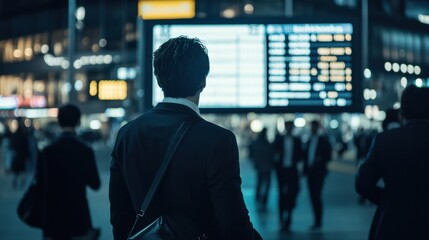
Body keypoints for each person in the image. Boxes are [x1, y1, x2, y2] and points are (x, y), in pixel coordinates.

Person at [109, 36, 262, 240]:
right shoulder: (218, 140)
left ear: (158, 78)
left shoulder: (127, 133)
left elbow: (120, 217)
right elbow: (233, 223)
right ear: (203, 81)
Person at [355, 85, 429, 240]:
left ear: (401, 113)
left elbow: (363, 184)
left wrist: (388, 199)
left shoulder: (385, 141)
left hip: (394, 225)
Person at [37, 104, 101, 240]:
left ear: (59, 122)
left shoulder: (47, 152)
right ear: (78, 122)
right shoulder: (85, 151)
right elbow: (95, 184)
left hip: (52, 219)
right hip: (79, 219)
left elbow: (39, 184)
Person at [273, 121, 303, 232]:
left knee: (290, 194)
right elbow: (274, 153)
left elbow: (300, 155)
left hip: (292, 171)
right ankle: (281, 218)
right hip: (281, 170)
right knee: (281, 193)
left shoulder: (297, 141)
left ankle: (288, 218)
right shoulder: (279, 140)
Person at [303, 120, 332, 230]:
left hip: (318, 172)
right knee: (313, 196)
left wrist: (320, 160)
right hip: (310, 172)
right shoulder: (309, 140)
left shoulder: (323, 140)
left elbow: (328, 156)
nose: (313, 129)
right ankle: (316, 220)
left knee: (316, 196)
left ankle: (318, 220)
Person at [248, 128, 274, 212]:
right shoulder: (267, 143)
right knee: (266, 184)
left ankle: (258, 197)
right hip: (267, 167)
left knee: (260, 183)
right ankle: (263, 199)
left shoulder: (257, 143)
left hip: (260, 166)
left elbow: (252, 154)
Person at [10, 117, 31, 189]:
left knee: (16, 172)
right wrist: (28, 155)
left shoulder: (14, 136)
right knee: (23, 171)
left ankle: (15, 182)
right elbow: (26, 146)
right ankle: (22, 183)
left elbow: (12, 145)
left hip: (17, 156)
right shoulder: (24, 136)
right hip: (22, 156)